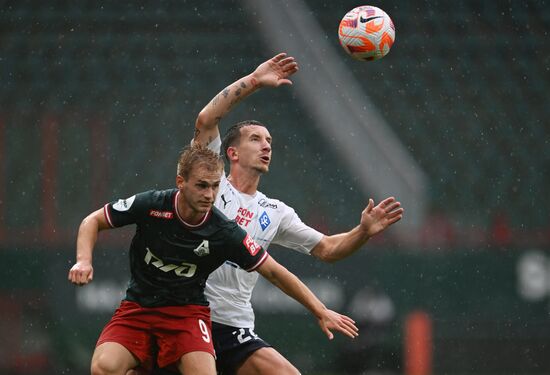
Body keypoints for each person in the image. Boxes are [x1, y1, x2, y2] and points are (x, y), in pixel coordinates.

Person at [189, 53, 404, 375]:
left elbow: (329, 249)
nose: (266, 146)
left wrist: (363, 231)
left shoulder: (275, 212)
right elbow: (206, 120)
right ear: (231, 152)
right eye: (256, 139)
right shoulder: (210, 184)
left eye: (270, 141)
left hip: (234, 325)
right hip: (188, 318)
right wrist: (255, 80)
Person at [68, 144, 358, 375]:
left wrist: (319, 310)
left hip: (187, 315)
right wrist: (84, 261)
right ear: (180, 182)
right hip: (139, 308)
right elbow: (92, 221)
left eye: (215, 186)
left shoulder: (224, 231)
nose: (209, 195)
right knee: (104, 368)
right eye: (201, 186)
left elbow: (274, 272)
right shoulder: (152, 205)